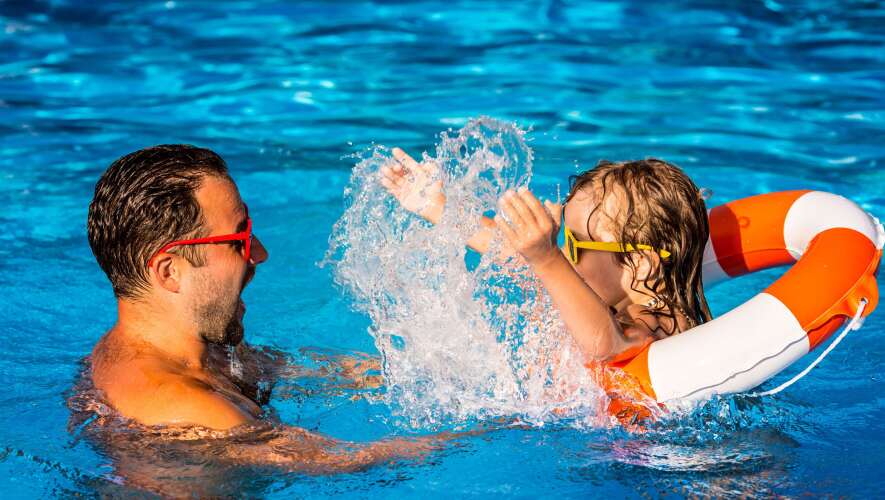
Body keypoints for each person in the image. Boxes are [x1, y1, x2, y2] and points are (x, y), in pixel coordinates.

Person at [84, 144, 438, 477]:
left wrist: (435, 370)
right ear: (169, 271)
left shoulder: (182, 351)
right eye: (238, 240)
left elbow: (322, 371)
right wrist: (477, 431)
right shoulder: (192, 412)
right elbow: (348, 460)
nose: (259, 253)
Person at [380, 148, 711, 366]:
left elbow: (607, 345)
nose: (566, 255)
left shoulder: (657, 320)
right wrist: (435, 206)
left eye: (575, 245)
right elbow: (513, 251)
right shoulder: (627, 294)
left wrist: (547, 259)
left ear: (640, 263)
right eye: (562, 242)